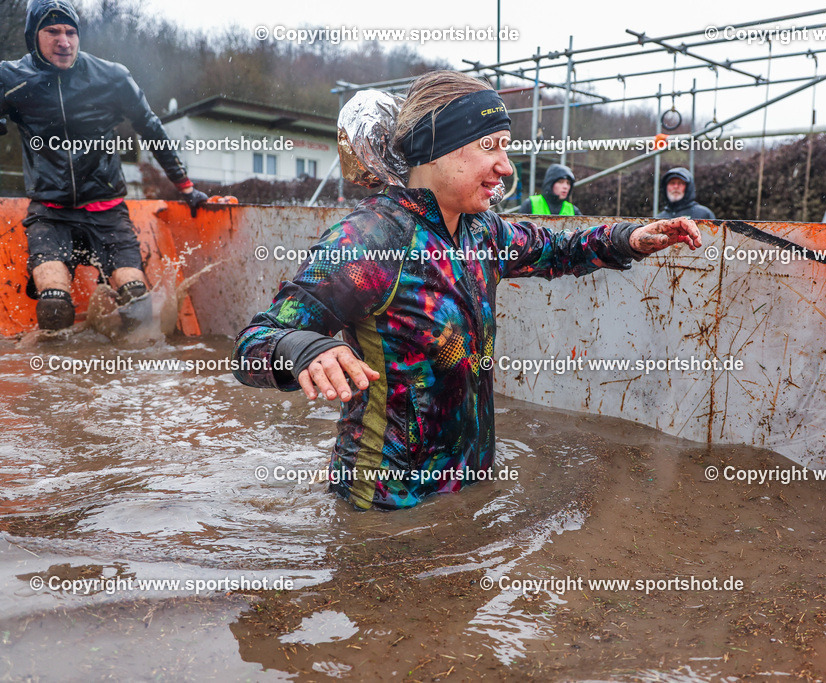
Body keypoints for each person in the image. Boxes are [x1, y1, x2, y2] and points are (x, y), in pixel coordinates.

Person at [232, 70, 701, 511]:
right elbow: (254, 343)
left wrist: (629, 239)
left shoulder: (483, 232)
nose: (505, 166)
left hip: (468, 484)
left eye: (506, 147)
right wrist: (306, 348)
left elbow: (558, 249)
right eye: (488, 146)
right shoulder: (372, 240)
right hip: (385, 501)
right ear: (434, 150)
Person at [0, 0, 208, 331]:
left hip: (107, 209)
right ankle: (57, 366)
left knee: (137, 304)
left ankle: (128, 365)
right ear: (33, 37)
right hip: (50, 212)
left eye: (70, 32)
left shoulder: (111, 77)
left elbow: (151, 128)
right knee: (54, 307)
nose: (64, 42)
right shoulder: (11, 78)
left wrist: (185, 186)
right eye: (52, 32)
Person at [517, 164, 582, 216]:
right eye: (560, 182)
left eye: (568, 183)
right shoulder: (530, 204)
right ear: (550, 183)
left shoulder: (573, 210)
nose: (565, 187)